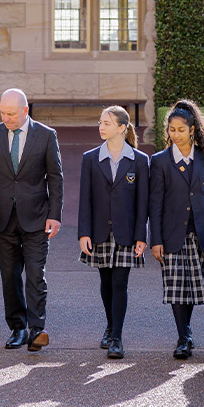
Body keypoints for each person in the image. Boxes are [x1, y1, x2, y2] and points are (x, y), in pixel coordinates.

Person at [0, 88, 63, 351]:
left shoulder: (46, 135)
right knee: (10, 276)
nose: (6, 118)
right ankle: (18, 328)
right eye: (2, 113)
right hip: (2, 219)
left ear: (25, 111)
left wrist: (55, 215)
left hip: (37, 217)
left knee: (36, 274)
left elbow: (55, 177)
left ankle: (37, 330)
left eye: (11, 114)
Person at [149, 99, 204, 359]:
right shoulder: (160, 161)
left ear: (192, 129)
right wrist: (155, 240)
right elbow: (155, 204)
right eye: (172, 129)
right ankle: (183, 337)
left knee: (193, 287)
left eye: (181, 129)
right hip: (172, 235)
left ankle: (186, 331)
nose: (176, 134)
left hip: (200, 235)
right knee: (176, 288)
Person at [78, 105, 149, 359]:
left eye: (106, 123)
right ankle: (110, 326)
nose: (101, 126)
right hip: (99, 232)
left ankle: (116, 338)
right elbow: (85, 199)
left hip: (126, 233)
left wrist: (141, 236)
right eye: (100, 122)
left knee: (120, 283)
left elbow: (143, 203)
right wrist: (83, 233)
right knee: (106, 282)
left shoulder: (140, 160)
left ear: (121, 128)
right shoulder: (90, 158)